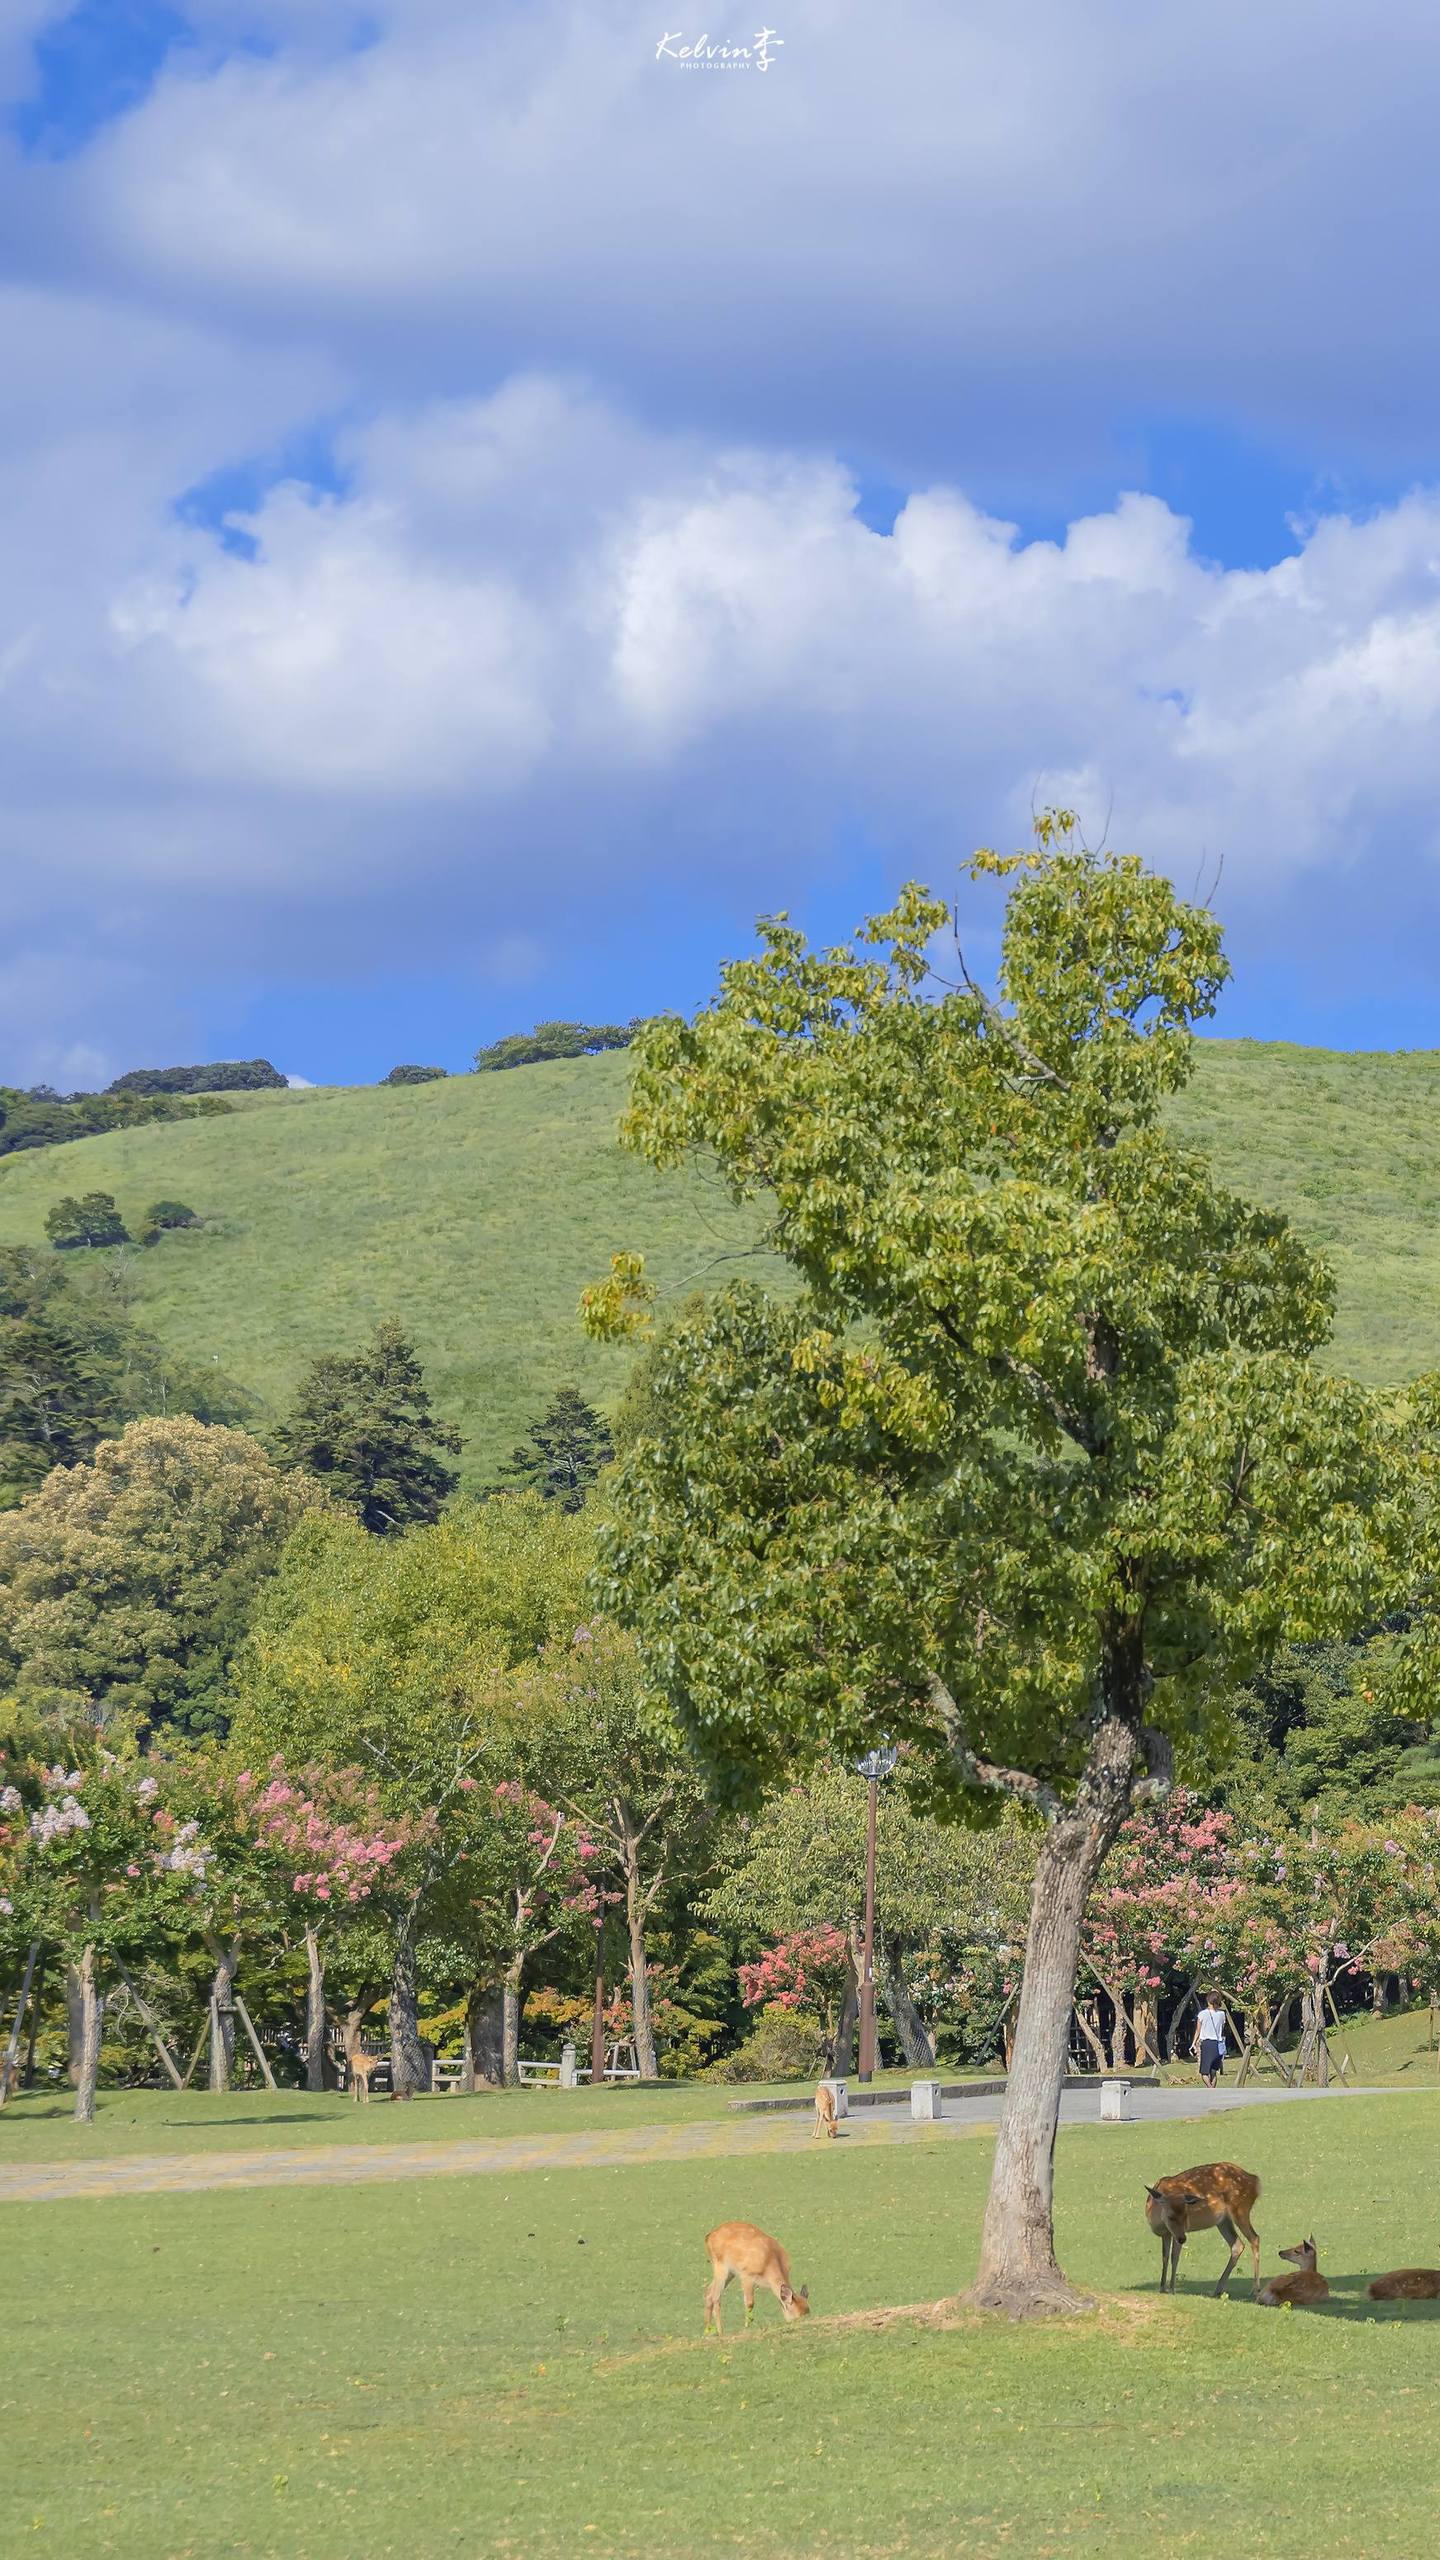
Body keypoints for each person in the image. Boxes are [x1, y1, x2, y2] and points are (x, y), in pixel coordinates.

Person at [1192, 1993, 1228, 2089]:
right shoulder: (1222, 2014)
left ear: (1208, 2001)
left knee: (1204, 2071)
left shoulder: (1202, 2014)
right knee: (1213, 2071)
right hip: (1218, 2044)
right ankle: (1213, 2088)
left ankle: (1210, 2088)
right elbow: (1222, 2027)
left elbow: (1198, 2030)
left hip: (1207, 2043)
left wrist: (1193, 2043)